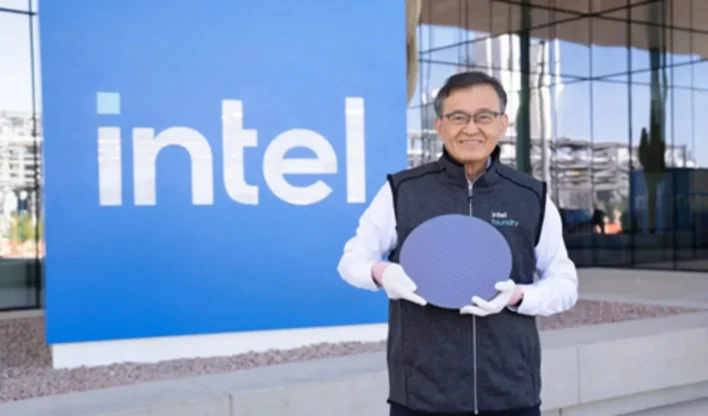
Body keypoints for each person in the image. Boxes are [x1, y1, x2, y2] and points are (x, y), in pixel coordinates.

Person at [337, 71, 578, 416]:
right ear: (440, 126)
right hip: (422, 395)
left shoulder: (531, 196)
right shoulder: (403, 191)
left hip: (510, 392)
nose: (471, 128)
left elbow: (565, 284)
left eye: (484, 117)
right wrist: (381, 272)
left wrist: (519, 296)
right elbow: (351, 260)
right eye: (458, 117)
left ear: (502, 124)